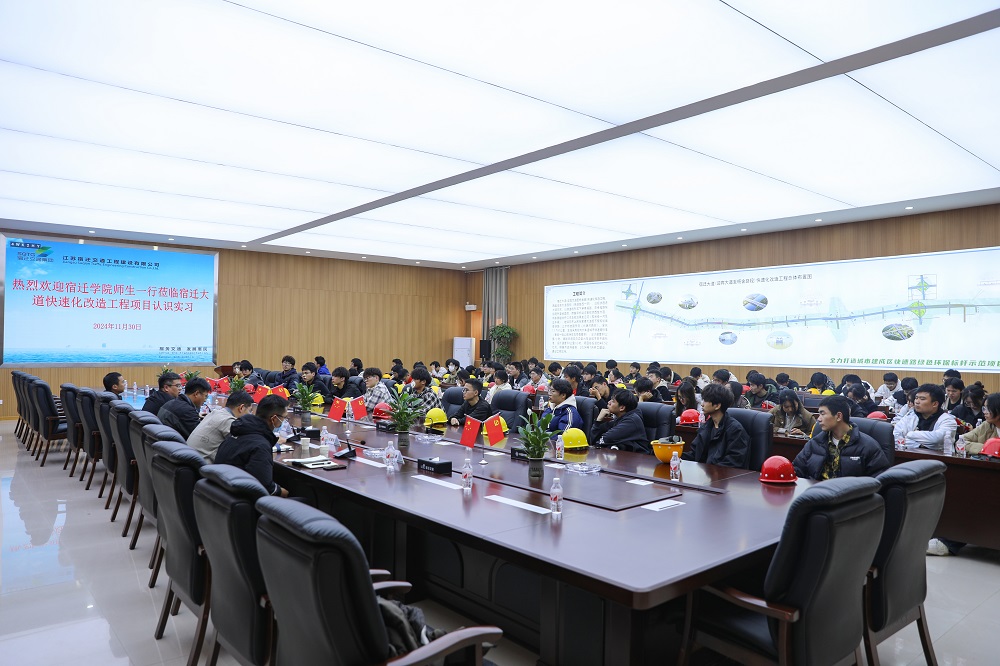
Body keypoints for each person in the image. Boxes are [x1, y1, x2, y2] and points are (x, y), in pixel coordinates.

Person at [792, 395, 889, 480]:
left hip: (850, 494)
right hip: (818, 492)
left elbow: (879, 480)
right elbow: (797, 470)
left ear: (838, 416)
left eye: (822, 414)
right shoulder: (815, 443)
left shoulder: (868, 446)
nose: (819, 419)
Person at [215, 394, 289, 497]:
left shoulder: (238, 432)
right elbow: (265, 488)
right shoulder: (260, 445)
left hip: (222, 494)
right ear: (274, 419)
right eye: (284, 418)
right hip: (242, 498)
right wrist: (284, 492)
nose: (284, 421)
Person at [682, 383, 749, 468]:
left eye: (705, 401)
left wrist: (709, 471)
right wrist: (674, 456)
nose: (702, 404)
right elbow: (695, 454)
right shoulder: (706, 427)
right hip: (705, 472)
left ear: (717, 406)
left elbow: (733, 461)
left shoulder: (735, 429)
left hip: (723, 474)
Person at [187, 390, 254, 462]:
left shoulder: (215, 412)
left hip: (189, 458)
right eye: (250, 411)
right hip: (200, 464)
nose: (251, 414)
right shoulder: (228, 421)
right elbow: (245, 446)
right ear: (241, 408)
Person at [892, 383, 956, 451]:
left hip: (938, 457)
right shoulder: (911, 415)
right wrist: (920, 445)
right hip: (909, 455)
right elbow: (896, 437)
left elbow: (938, 439)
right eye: (916, 398)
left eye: (922, 399)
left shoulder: (948, 420)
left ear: (935, 404)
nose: (917, 402)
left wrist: (910, 434)